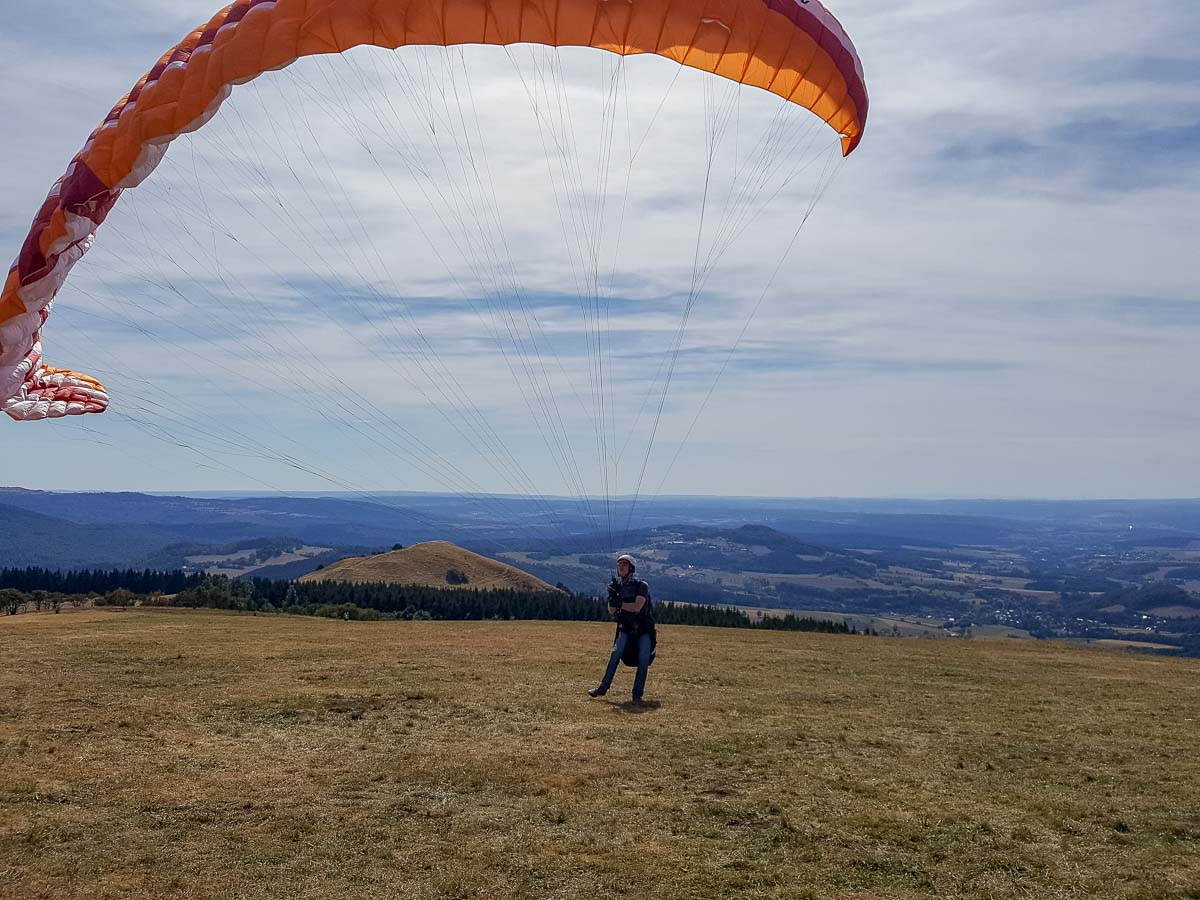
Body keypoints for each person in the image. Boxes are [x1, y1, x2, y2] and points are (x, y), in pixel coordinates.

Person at [588, 554, 656, 704]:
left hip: (643, 628)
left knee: (643, 658)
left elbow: (637, 607)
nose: (621, 567)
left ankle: (637, 695)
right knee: (616, 653)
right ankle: (603, 687)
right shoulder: (617, 587)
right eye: (619, 564)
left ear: (631, 568)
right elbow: (612, 611)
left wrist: (620, 604)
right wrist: (613, 598)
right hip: (625, 627)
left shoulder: (641, 586)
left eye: (624, 564)